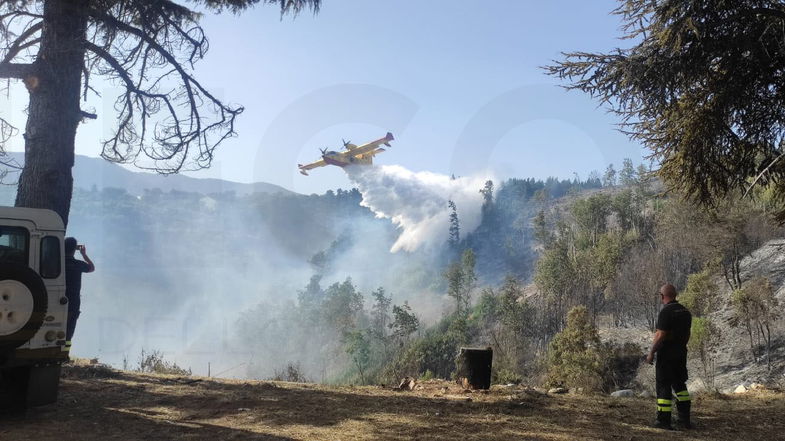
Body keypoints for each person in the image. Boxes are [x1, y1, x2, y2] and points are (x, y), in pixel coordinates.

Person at [646, 283, 692, 430]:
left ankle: (663, 421)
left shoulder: (666, 312)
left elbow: (660, 334)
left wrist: (651, 352)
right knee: (680, 385)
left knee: (664, 386)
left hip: (667, 355)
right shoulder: (685, 311)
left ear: (662, 296)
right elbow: (687, 334)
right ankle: (684, 419)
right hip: (681, 353)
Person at [64, 237, 95, 355]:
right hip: (72, 302)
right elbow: (91, 268)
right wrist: (84, 254)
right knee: (69, 328)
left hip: (53, 299)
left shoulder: (56, 262)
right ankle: (65, 354)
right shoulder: (77, 264)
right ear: (74, 250)